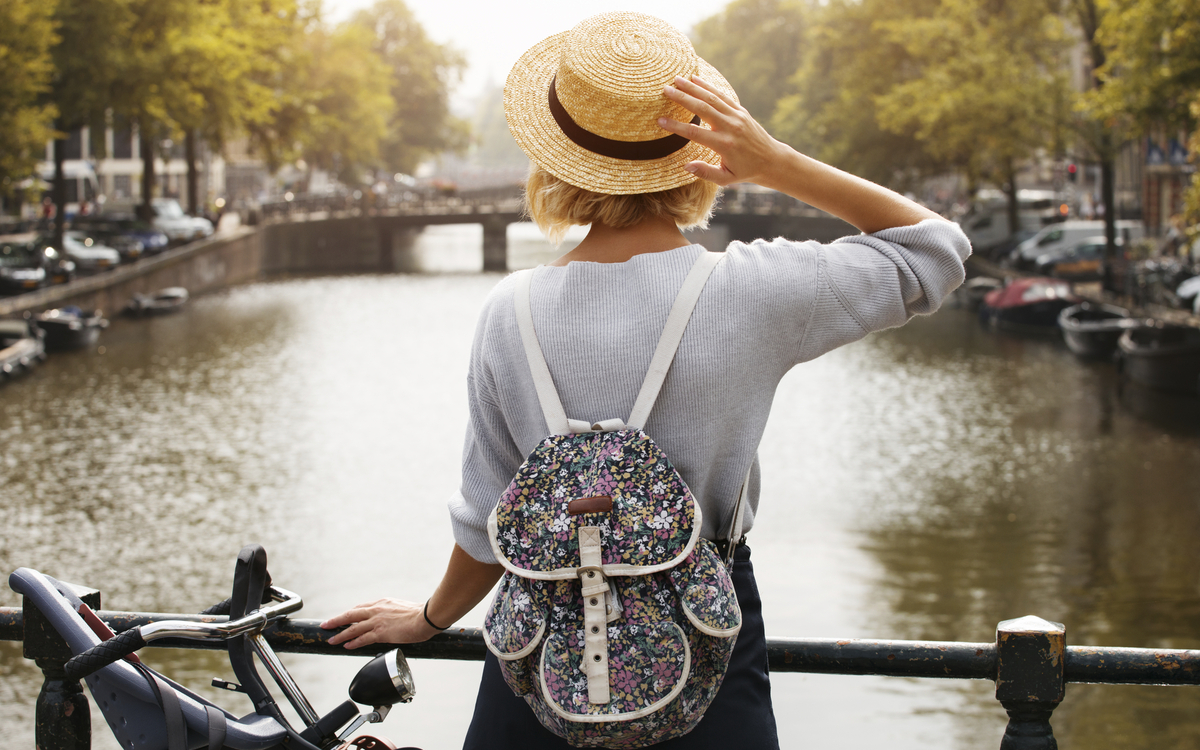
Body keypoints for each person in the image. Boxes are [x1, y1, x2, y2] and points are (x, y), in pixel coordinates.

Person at [321, 12, 970, 749]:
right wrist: (774, 162)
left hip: (544, 646)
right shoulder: (751, 291)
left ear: (556, 158)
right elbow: (934, 251)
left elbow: (486, 521)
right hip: (703, 633)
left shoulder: (512, 311)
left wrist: (430, 618)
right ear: (698, 152)